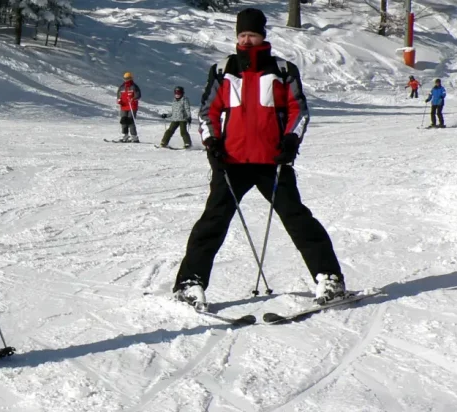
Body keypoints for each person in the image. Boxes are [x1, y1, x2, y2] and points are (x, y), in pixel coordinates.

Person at [173, 8, 346, 312]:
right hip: (231, 162)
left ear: (263, 36)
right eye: (242, 35)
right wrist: (212, 142)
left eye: (252, 34)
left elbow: (298, 111)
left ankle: (329, 279)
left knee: (297, 219)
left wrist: (291, 140)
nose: (247, 40)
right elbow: (208, 112)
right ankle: (189, 284)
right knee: (212, 222)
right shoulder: (222, 69)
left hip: (273, 162)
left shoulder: (283, 70)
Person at [116, 72, 142, 143]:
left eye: (127, 78)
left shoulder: (134, 87)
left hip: (132, 106)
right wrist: (119, 100)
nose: (126, 80)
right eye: (125, 78)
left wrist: (133, 98)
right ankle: (125, 135)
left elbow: (138, 95)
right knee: (124, 121)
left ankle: (134, 137)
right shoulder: (122, 87)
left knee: (130, 121)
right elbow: (119, 95)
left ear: (131, 78)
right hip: (124, 106)